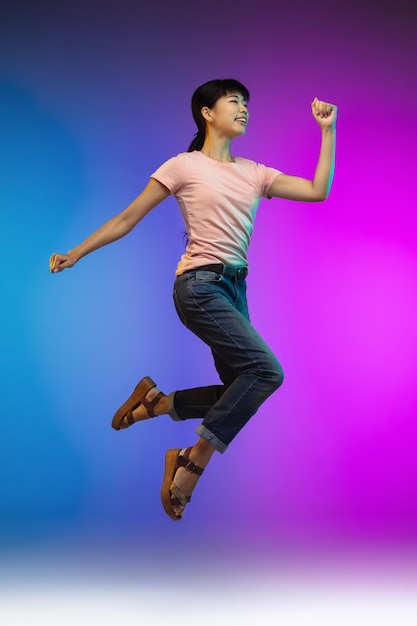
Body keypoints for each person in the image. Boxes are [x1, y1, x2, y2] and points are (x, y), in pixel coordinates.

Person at [50, 78, 337, 522]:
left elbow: (317, 190)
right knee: (266, 371)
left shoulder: (255, 172)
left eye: (246, 102)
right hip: (199, 287)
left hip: (235, 289)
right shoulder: (183, 166)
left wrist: (327, 131)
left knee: (240, 388)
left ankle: (157, 403)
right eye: (234, 101)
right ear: (207, 112)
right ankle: (191, 461)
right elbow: (128, 217)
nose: (244, 108)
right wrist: (76, 253)